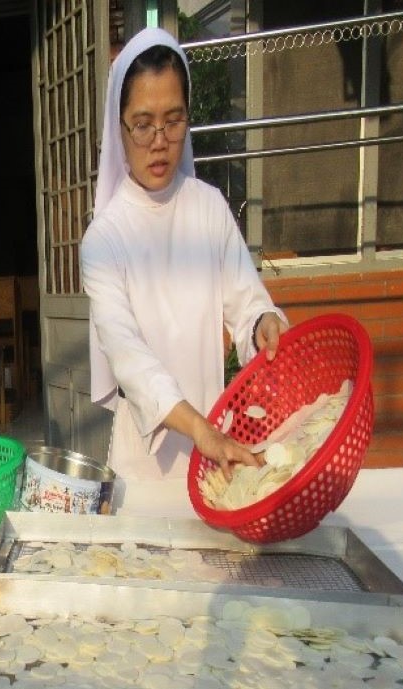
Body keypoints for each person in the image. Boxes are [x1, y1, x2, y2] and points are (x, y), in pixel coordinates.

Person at [79, 28, 288, 513]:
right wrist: (202, 432)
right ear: (119, 127)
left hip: (218, 455)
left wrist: (263, 324)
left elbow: (247, 301)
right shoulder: (104, 240)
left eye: (174, 122)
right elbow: (130, 359)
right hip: (145, 467)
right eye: (143, 124)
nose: (159, 142)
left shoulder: (209, 208)